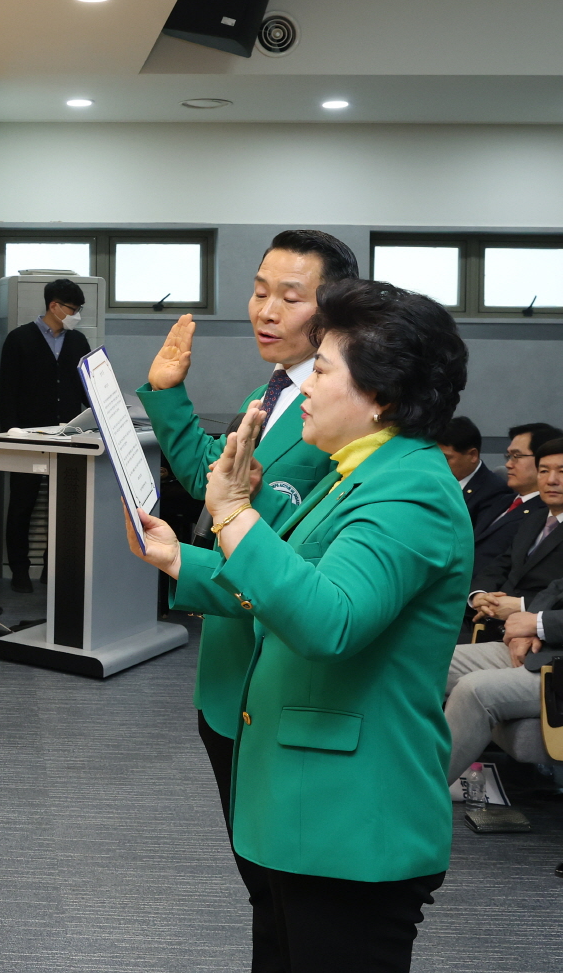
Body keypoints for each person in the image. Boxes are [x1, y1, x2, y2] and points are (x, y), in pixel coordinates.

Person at [129, 278, 470, 973]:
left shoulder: (410, 491)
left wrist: (232, 513)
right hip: (304, 809)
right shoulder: (358, 473)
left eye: (322, 371)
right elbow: (290, 582)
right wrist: (182, 559)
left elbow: (326, 621)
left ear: (381, 395)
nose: (305, 387)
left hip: (351, 819)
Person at [136, 228, 354, 971]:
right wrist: (169, 393)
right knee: (262, 885)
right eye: (260, 290)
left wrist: (183, 559)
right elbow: (214, 475)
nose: (265, 310)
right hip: (228, 677)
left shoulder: (333, 416)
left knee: (281, 891)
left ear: (336, 310)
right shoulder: (274, 390)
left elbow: (283, 566)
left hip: (269, 670)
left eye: (289, 297)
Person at [444, 437, 563, 782]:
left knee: (474, 689)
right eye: (544, 471)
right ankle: (386, 766)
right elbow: (554, 587)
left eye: (561, 472)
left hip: (554, 663)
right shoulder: (534, 517)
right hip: (531, 646)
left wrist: (534, 624)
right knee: (422, 661)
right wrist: (494, 604)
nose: (552, 480)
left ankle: (417, 795)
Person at [0, 277, 91, 591]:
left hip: (68, 435)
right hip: (27, 435)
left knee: (66, 506)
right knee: (22, 504)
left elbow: (88, 390)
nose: (77, 315)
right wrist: (10, 433)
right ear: (54, 306)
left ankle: (53, 569)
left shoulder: (78, 342)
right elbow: (7, 391)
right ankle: (19, 572)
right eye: (73, 309)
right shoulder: (19, 339)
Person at [472, 422, 563, 577]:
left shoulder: (547, 512)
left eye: (517, 456)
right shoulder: (501, 499)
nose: (508, 464)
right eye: (508, 456)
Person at [437, 416, 510, 533]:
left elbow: (478, 538)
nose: (438, 464)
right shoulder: (434, 482)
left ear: (472, 455)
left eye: (445, 458)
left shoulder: (494, 491)